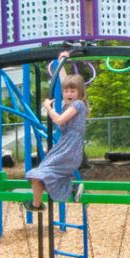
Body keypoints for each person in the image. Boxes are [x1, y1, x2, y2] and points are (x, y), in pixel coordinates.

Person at [22, 53, 90, 210]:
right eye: (66, 91)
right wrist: (61, 62)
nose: (68, 94)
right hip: (65, 147)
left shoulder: (78, 105)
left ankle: (66, 190)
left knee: (39, 173)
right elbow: (64, 81)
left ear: (80, 93)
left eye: (73, 91)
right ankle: (40, 203)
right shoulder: (70, 105)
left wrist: (48, 108)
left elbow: (59, 120)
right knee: (39, 175)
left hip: (70, 149)